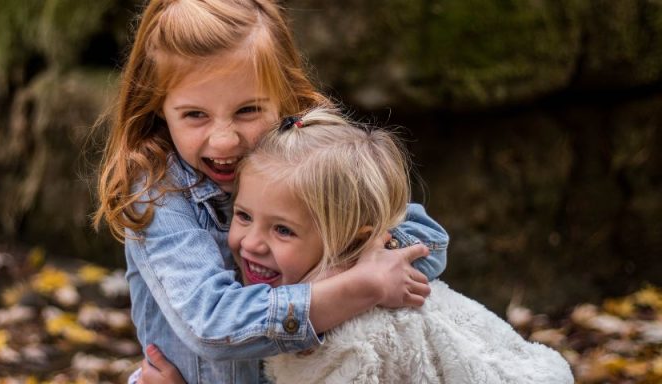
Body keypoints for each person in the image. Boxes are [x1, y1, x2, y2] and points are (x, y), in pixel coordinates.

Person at [93, 1, 448, 383]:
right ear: (159, 107)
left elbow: (426, 241)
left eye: (248, 111)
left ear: (284, 95)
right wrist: (355, 287)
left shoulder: (306, 160)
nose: (225, 140)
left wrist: (332, 274)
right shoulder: (159, 192)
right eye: (195, 115)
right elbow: (213, 323)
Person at [142, 106, 574, 383]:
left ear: (355, 241)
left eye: (283, 230)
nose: (250, 243)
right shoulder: (321, 295)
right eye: (243, 215)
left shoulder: (363, 339)